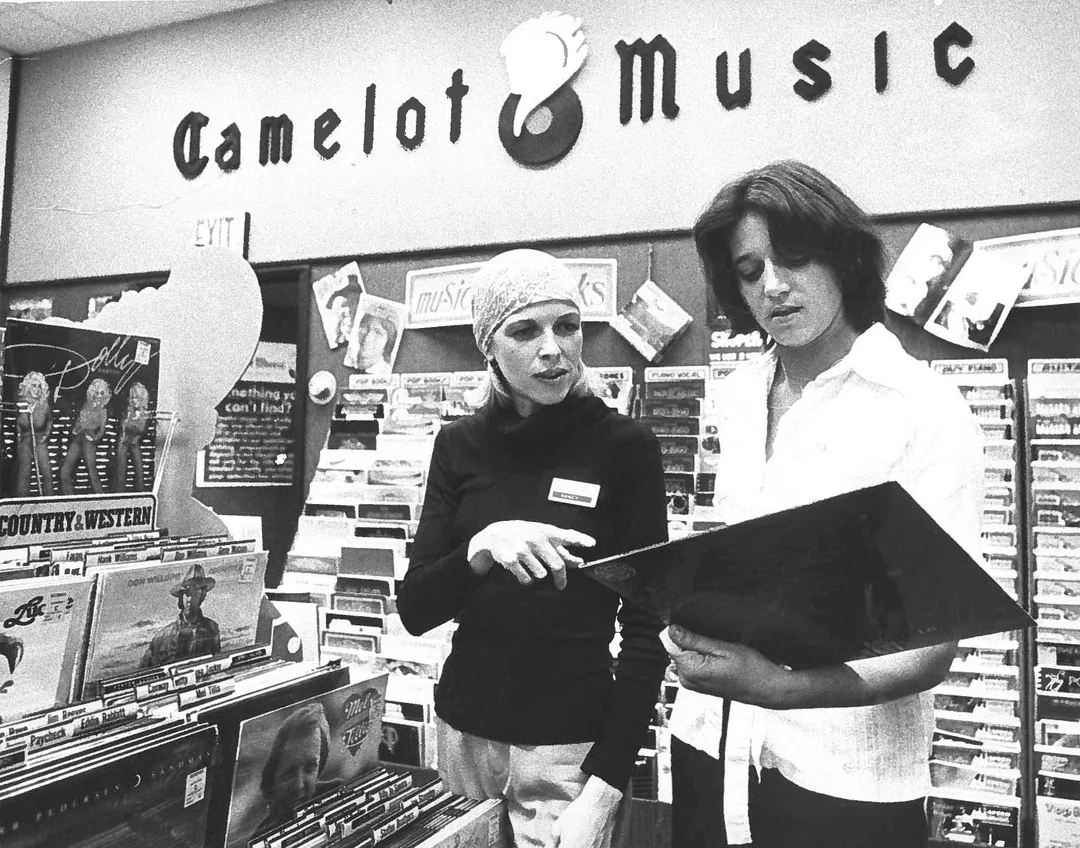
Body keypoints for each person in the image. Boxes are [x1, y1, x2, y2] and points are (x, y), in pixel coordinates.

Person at [665, 160, 984, 848]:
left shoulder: (922, 407)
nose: (774, 285)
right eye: (750, 271)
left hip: (843, 780)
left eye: (796, 257)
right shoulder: (739, 396)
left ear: (841, 257)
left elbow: (933, 645)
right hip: (708, 748)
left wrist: (781, 688)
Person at [396, 249, 669, 848]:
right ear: (489, 346)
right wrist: (483, 547)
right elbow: (416, 609)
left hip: (569, 744)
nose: (553, 348)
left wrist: (607, 785)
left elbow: (650, 627)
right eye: (525, 330)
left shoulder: (625, 447)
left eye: (567, 326)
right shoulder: (458, 445)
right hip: (462, 736)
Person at [253, 702, 340, 837]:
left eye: (310, 767)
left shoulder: (338, 794)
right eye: (289, 772)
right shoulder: (260, 838)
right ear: (271, 779)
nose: (299, 785)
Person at [139, 562, 221, 668]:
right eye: (187, 593)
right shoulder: (162, 636)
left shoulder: (212, 628)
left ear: (202, 596)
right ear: (180, 598)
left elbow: (217, 663)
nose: (190, 598)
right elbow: (143, 671)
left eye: (195, 593)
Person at [59, 377, 111, 494]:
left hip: (89, 440)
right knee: (65, 471)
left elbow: (102, 430)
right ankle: (69, 500)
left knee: (92, 471)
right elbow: (79, 421)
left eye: (101, 393)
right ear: (92, 392)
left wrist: (94, 438)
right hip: (78, 438)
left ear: (105, 395)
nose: (98, 395)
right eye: (96, 392)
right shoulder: (86, 406)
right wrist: (75, 429)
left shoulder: (102, 411)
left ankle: (100, 500)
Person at [14, 371, 54, 496]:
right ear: (27, 387)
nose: (36, 389)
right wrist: (19, 433)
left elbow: (50, 422)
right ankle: (22, 503)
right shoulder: (22, 404)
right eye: (33, 385)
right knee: (24, 472)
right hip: (25, 440)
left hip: (39, 440)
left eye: (38, 386)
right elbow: (18, 422)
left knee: (46, 471)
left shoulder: (45, 406)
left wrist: (45, 435)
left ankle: (49, 502)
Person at [113, 381, 151, 492]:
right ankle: (119, 493)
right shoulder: (128, 412)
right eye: (132, 398)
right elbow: (123, 426)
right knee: (121, 469)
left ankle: (140, 492)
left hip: (134, 440)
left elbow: (143, 430)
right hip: (124, 440)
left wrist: (136, 436)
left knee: (139, 469)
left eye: (136, 398)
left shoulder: (144, 414)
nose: (133, 400)